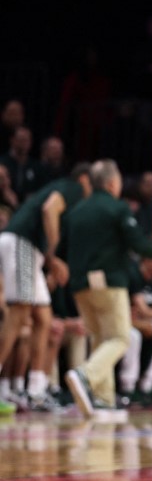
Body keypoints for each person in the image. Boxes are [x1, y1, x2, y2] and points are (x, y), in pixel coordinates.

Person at [63, 160, 152, 420]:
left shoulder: (76, 211)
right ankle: (85, 375)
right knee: (120, 338)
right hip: (108, 282)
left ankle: (103, 401)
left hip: (80, 285)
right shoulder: (116, 208)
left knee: (101, 339)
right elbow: (137, 242)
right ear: (113, 183)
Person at [0, 161, 92, 413]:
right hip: (23, 243)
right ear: (84, 178)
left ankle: (35, 391)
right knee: (19, 315)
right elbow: (49, 209)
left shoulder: (68, 191)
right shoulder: (73, 187)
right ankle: (13, 388)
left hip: (29, 250)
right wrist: (51, 258)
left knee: (43, 318)